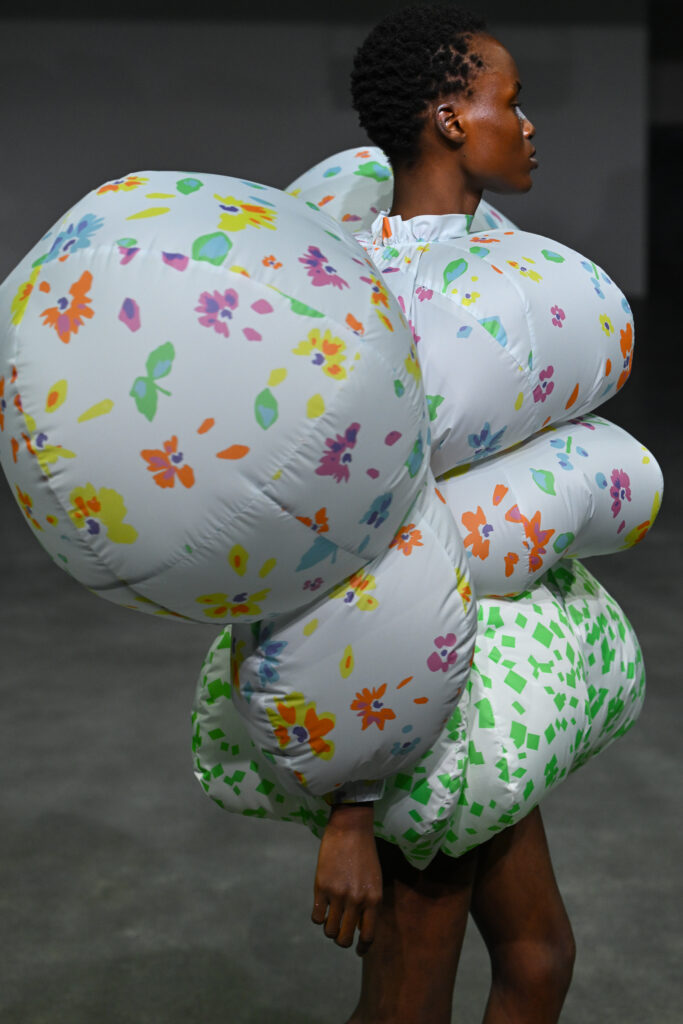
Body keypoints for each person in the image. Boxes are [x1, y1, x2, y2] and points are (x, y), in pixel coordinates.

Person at [311, 9, 577, 1023]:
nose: (528, 126)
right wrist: (351, 804)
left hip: (481, 695)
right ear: (450, 119)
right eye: (510, 103)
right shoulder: (385, 289)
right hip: (403, 709)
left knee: (537, 959)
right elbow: (345, 534)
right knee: (408, 999)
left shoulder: (493, 262)